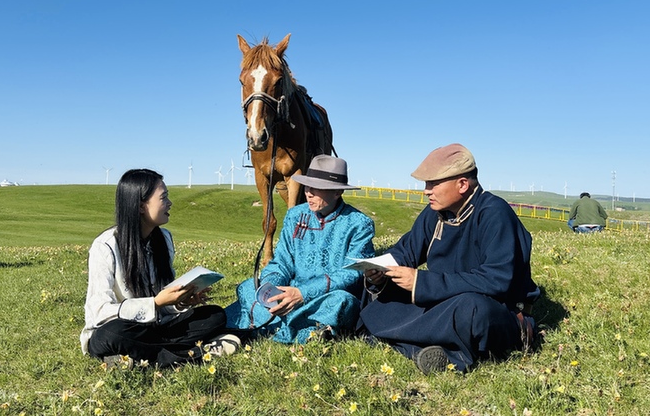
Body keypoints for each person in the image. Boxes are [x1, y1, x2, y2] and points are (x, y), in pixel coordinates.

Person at [357, 143, 540, 374]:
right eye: (426, 184)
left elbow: (496, 280)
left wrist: (422, 283)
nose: (426, 191)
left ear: (462, 184)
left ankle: (411, 342)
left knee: (472, 310)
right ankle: (437, 349)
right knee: (378, 289)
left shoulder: (495, 213)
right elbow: (407, 251)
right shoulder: (434, 213)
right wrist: (380, 270)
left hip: (499, 308)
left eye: (433, 183)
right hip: (444, 299)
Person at [81, 168, 239, 367]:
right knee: (111, 334)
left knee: (214, 315)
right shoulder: (105, 246)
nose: (170, 203)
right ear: (140, 206)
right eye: (163, 197)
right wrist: (154, 303)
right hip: (123, 329)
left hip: (157, 328)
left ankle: (137, 359)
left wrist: (181, 301)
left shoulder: (164, 239)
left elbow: (164, 305)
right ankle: (191, 355)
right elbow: (99, 313)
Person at [225, 155, 375, 343]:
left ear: (337, 192)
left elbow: (352, 273)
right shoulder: (295, 215)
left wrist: (303, 294)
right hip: (288, 291)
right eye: (307, 186)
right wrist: (272, 288)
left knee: (342, 302)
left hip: (324, 297)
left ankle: (272, 327)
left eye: (316, 188)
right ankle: (304, 328)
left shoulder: (359, 224)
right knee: (249, 286)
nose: (308, 193)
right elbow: (282, 261)